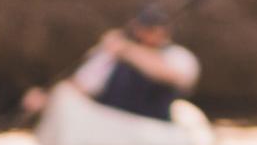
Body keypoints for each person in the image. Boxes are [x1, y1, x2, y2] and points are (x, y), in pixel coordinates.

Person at [21, 10, 202, 124]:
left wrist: (126, 50)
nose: (151, 34)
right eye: (146, 28)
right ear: (137, 28)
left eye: (156, 28)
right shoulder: (111, 54)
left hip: (155, 123)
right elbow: (81, 85)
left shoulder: (178, 56)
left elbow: (171, 76)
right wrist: (48, 98)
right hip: (113, 120)